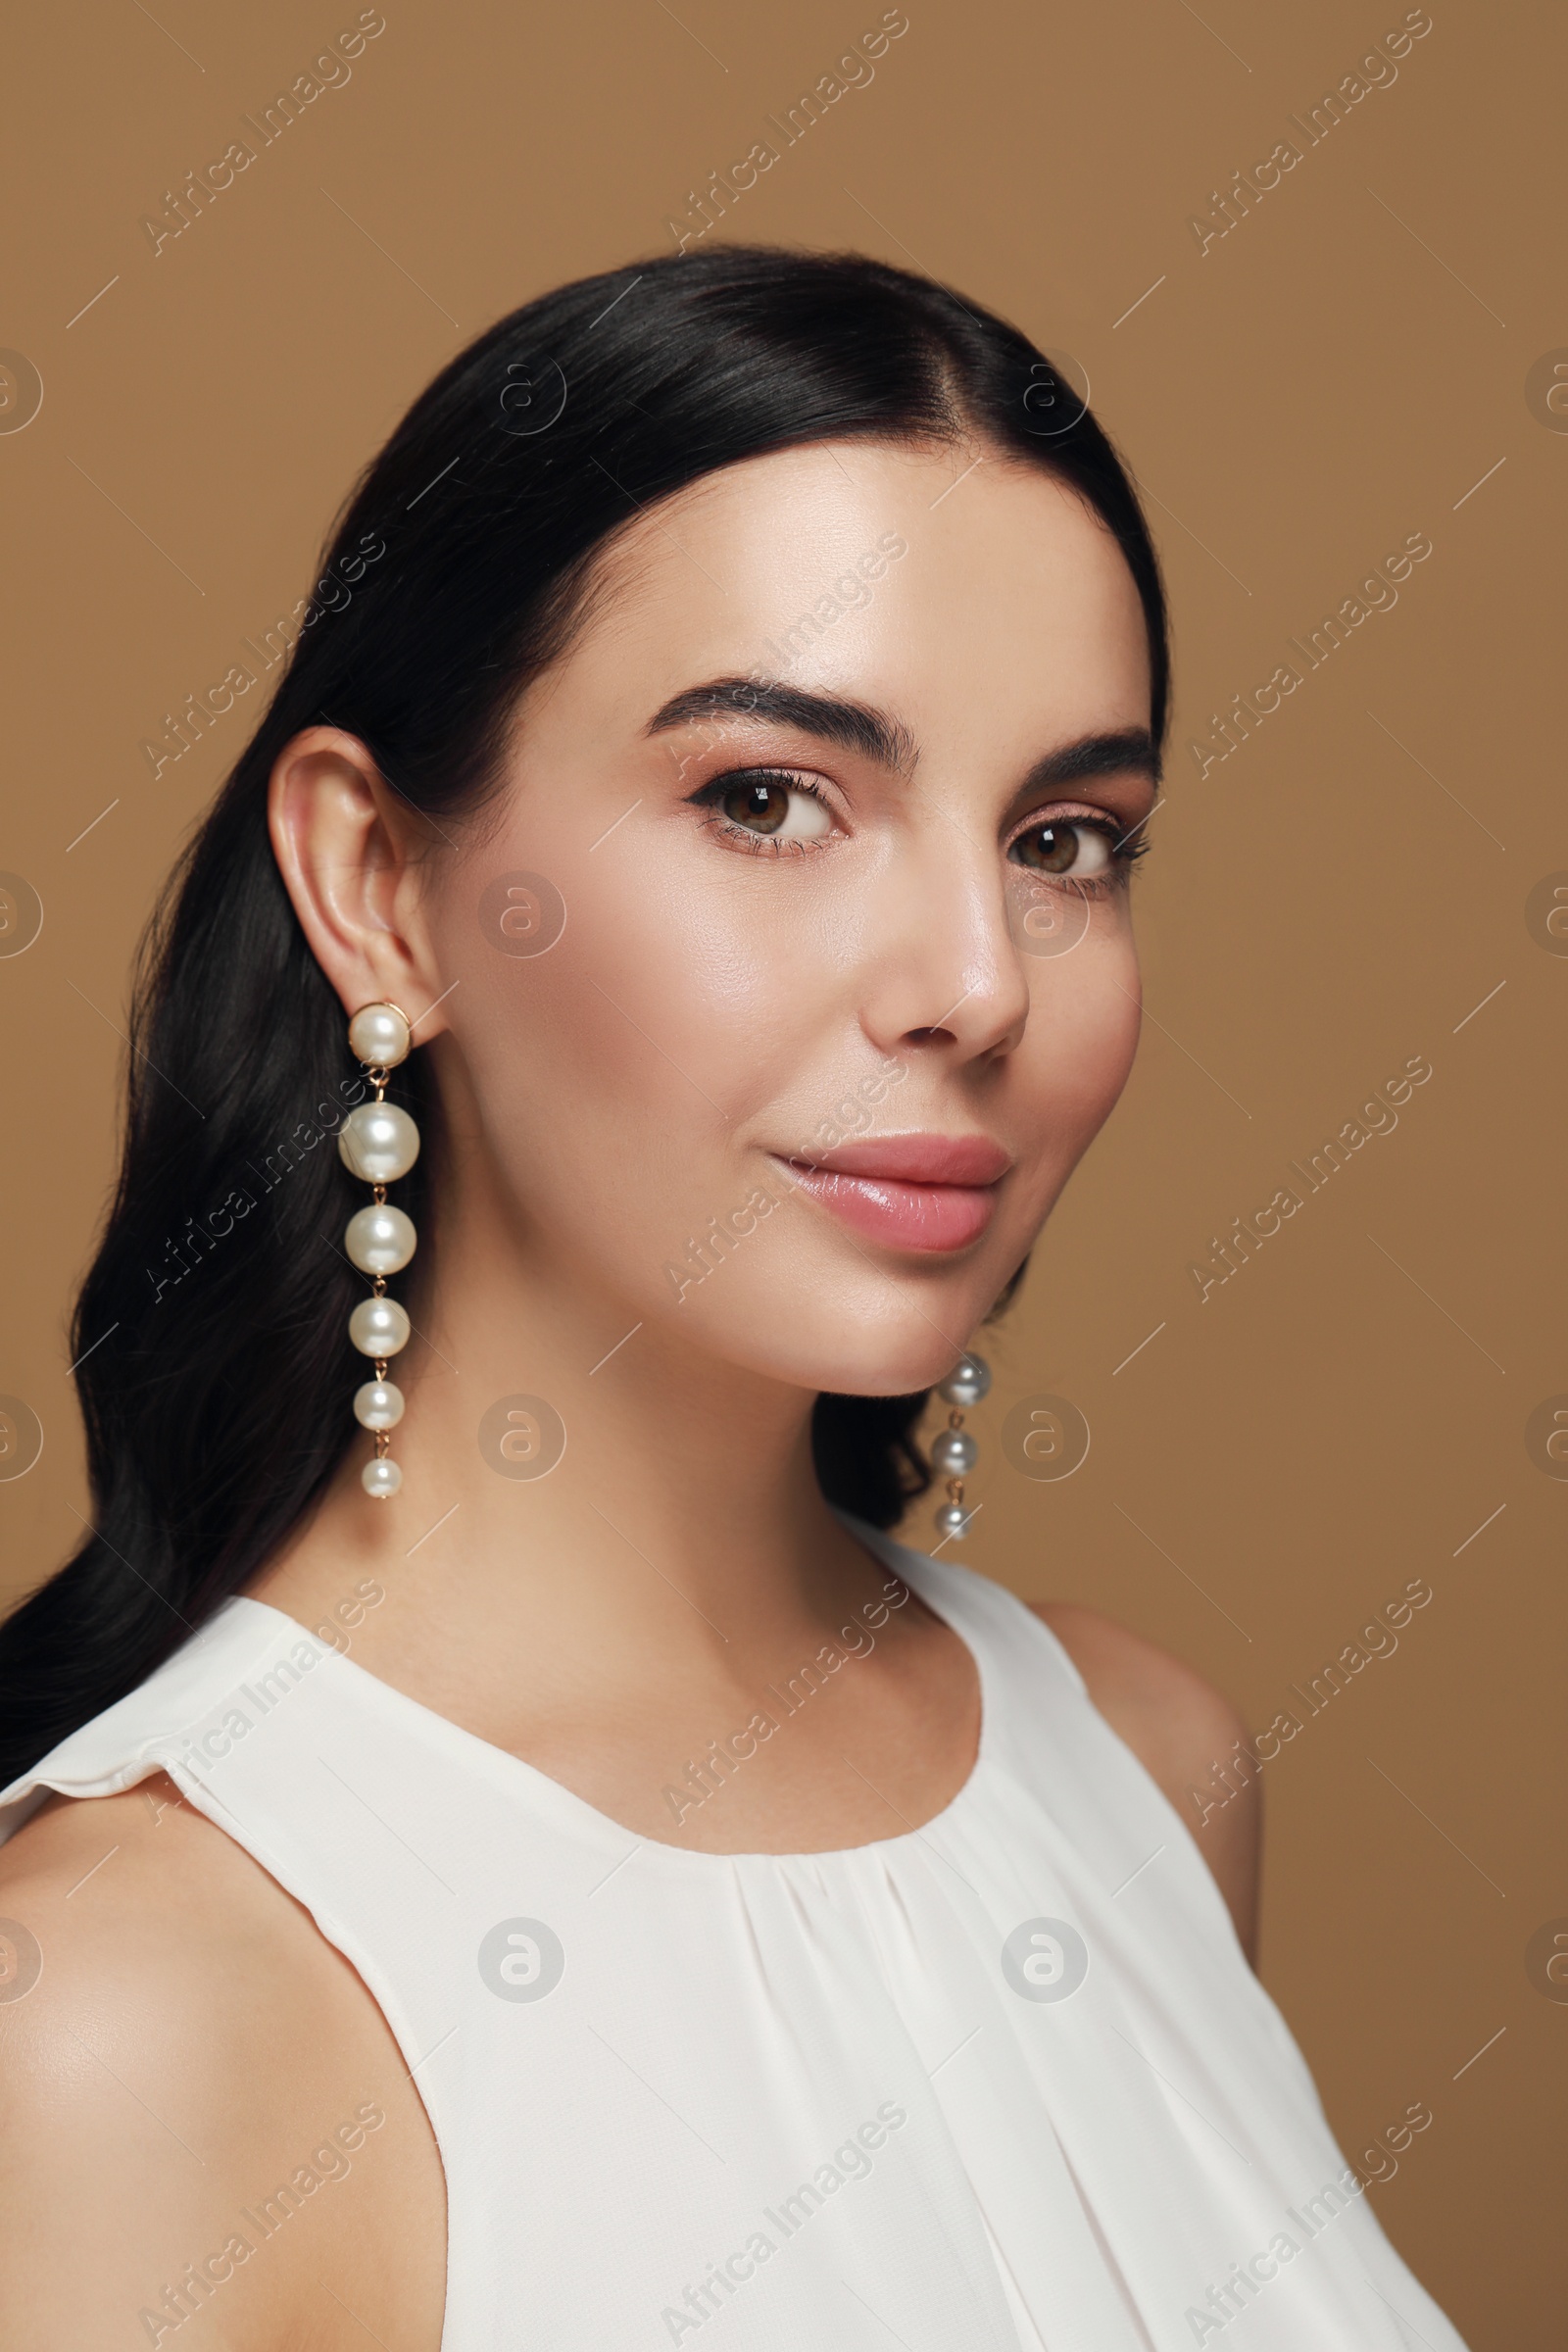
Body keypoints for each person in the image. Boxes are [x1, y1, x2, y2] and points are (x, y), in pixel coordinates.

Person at [0, 248, 1466, 2348]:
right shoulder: (123, 2016)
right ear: (376, 885)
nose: (974, 979)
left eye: (1062, 835)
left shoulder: (1148, 1775)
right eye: (768, 800)